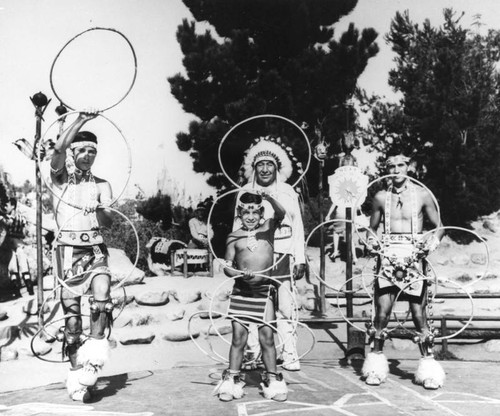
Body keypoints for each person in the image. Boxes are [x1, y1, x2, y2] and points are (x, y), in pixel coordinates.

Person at [362, 153, 444, 390]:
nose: (396, 170)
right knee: (382, 313)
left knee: (419, 314)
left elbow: (439, 227)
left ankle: (429, 370)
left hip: (414, 255)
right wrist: (372, 242)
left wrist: (429, 247)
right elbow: (372, 228)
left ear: (408, 168)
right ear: (386, 169)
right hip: (387, 255)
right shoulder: (380, 197)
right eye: (391, 166)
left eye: (401, 165)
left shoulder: (422, 195)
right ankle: (375, 368)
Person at [50, 110, 114, 402]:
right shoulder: (60, 178)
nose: (87, 155)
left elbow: (109, 221)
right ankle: (77, 376)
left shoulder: (102, 184)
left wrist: (98, 209)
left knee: (102, 301)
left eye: (92, 151)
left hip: (95, 250)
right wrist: (81, 121)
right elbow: (59, 148)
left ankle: (94, 361)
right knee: (73, 321)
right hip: (67, 252)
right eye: (82, 150)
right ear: (73, 152)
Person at [234, 136, 306, 371]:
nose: (265, 169)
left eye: (269, 165)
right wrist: (238, 259)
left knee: (286, 305)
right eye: (260, 165)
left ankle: (289, 351)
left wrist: (300, 257)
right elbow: (237, 228)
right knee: (254, 305)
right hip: (255, 256)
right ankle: (254, 353)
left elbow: (297, 227)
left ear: (277, 168)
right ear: (254, 168)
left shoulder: (287, 192)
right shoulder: (245, 192)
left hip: (284, 253)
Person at [215, 191, 288, 402]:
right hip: (241, 291)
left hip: (263, 292)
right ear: (239, 212)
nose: (250, 216)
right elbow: (228, 267)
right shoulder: (233, 236)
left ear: (261, 213)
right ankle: (232, 380)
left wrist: (270, 198)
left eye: (255, 212)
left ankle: (272, 379)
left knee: (267, 338)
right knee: (239, 338)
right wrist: (237, 272)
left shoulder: (268, 229)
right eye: (246, 211)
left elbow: (282, 212)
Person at [2, 197, 33, 295]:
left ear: (13, 206)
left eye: (7, 205)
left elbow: (23, 233)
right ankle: (24, 281)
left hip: (14, 242)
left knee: (19, 254)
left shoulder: (17, 218)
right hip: (12, 243)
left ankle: (20, 281)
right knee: (15, 255)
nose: (5, 207)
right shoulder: (6, 218)